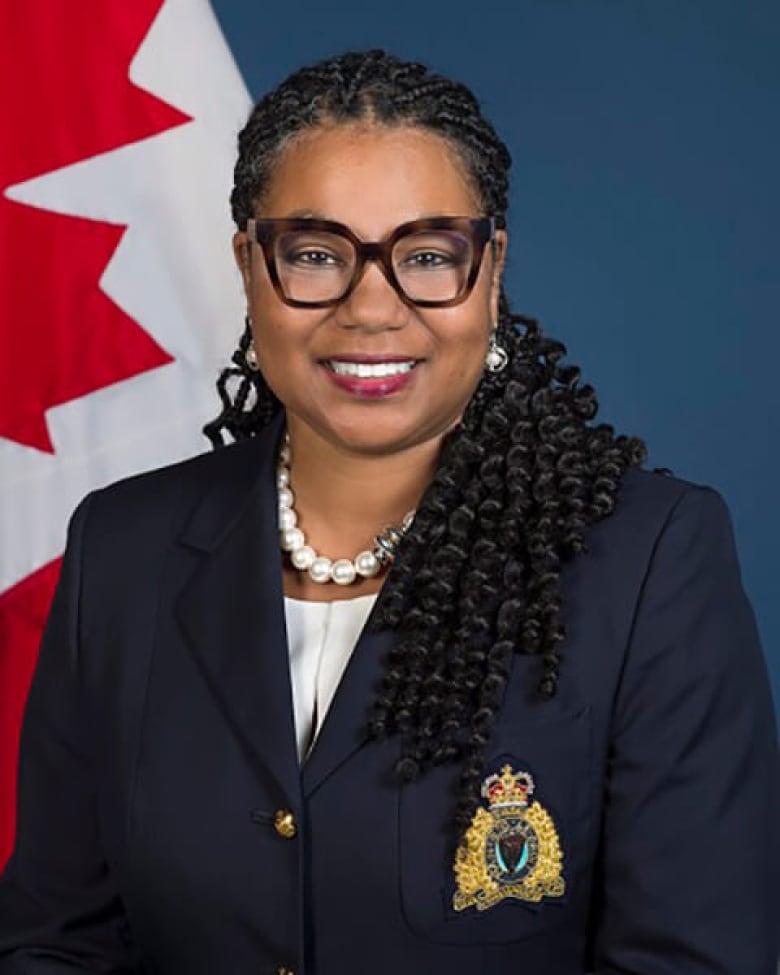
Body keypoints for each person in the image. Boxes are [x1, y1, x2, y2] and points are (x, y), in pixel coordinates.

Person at [0, 49, 778, 975]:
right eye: (319, 254)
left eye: (425, 256)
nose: (374, 308)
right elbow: (56, 942)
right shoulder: (119, 551)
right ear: (252, 265)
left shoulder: (648, 561)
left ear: (491, 270)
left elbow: (696, 959)